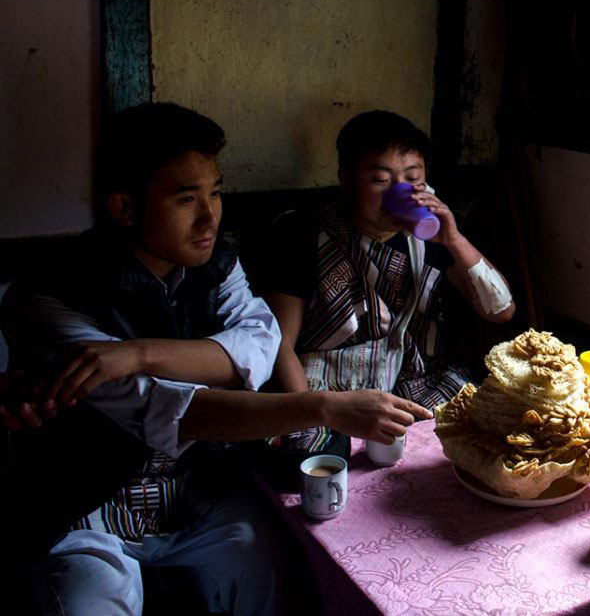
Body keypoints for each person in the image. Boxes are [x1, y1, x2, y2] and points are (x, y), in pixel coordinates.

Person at [0, 103, 433, 615]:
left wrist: (135, 354)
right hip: (86, 511)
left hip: (197, 497)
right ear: (123, 207)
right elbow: (177, 412)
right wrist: (323, 407)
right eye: (186, 198)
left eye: (216, 192)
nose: (210, 216)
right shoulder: (50, 300)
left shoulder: (218, 266)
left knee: (284, 577)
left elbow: (258, 347)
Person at [260, 110, 515, 428]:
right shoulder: (304, 232)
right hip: (330, 392)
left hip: (422, 385)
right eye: (381, 180)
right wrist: (311, 418)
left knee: (483, 437)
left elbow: (501, 311)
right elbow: (280, 344)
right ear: (346, 180)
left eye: (414, 180)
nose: (400, 192)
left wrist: (453, 239)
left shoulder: (435, 235)